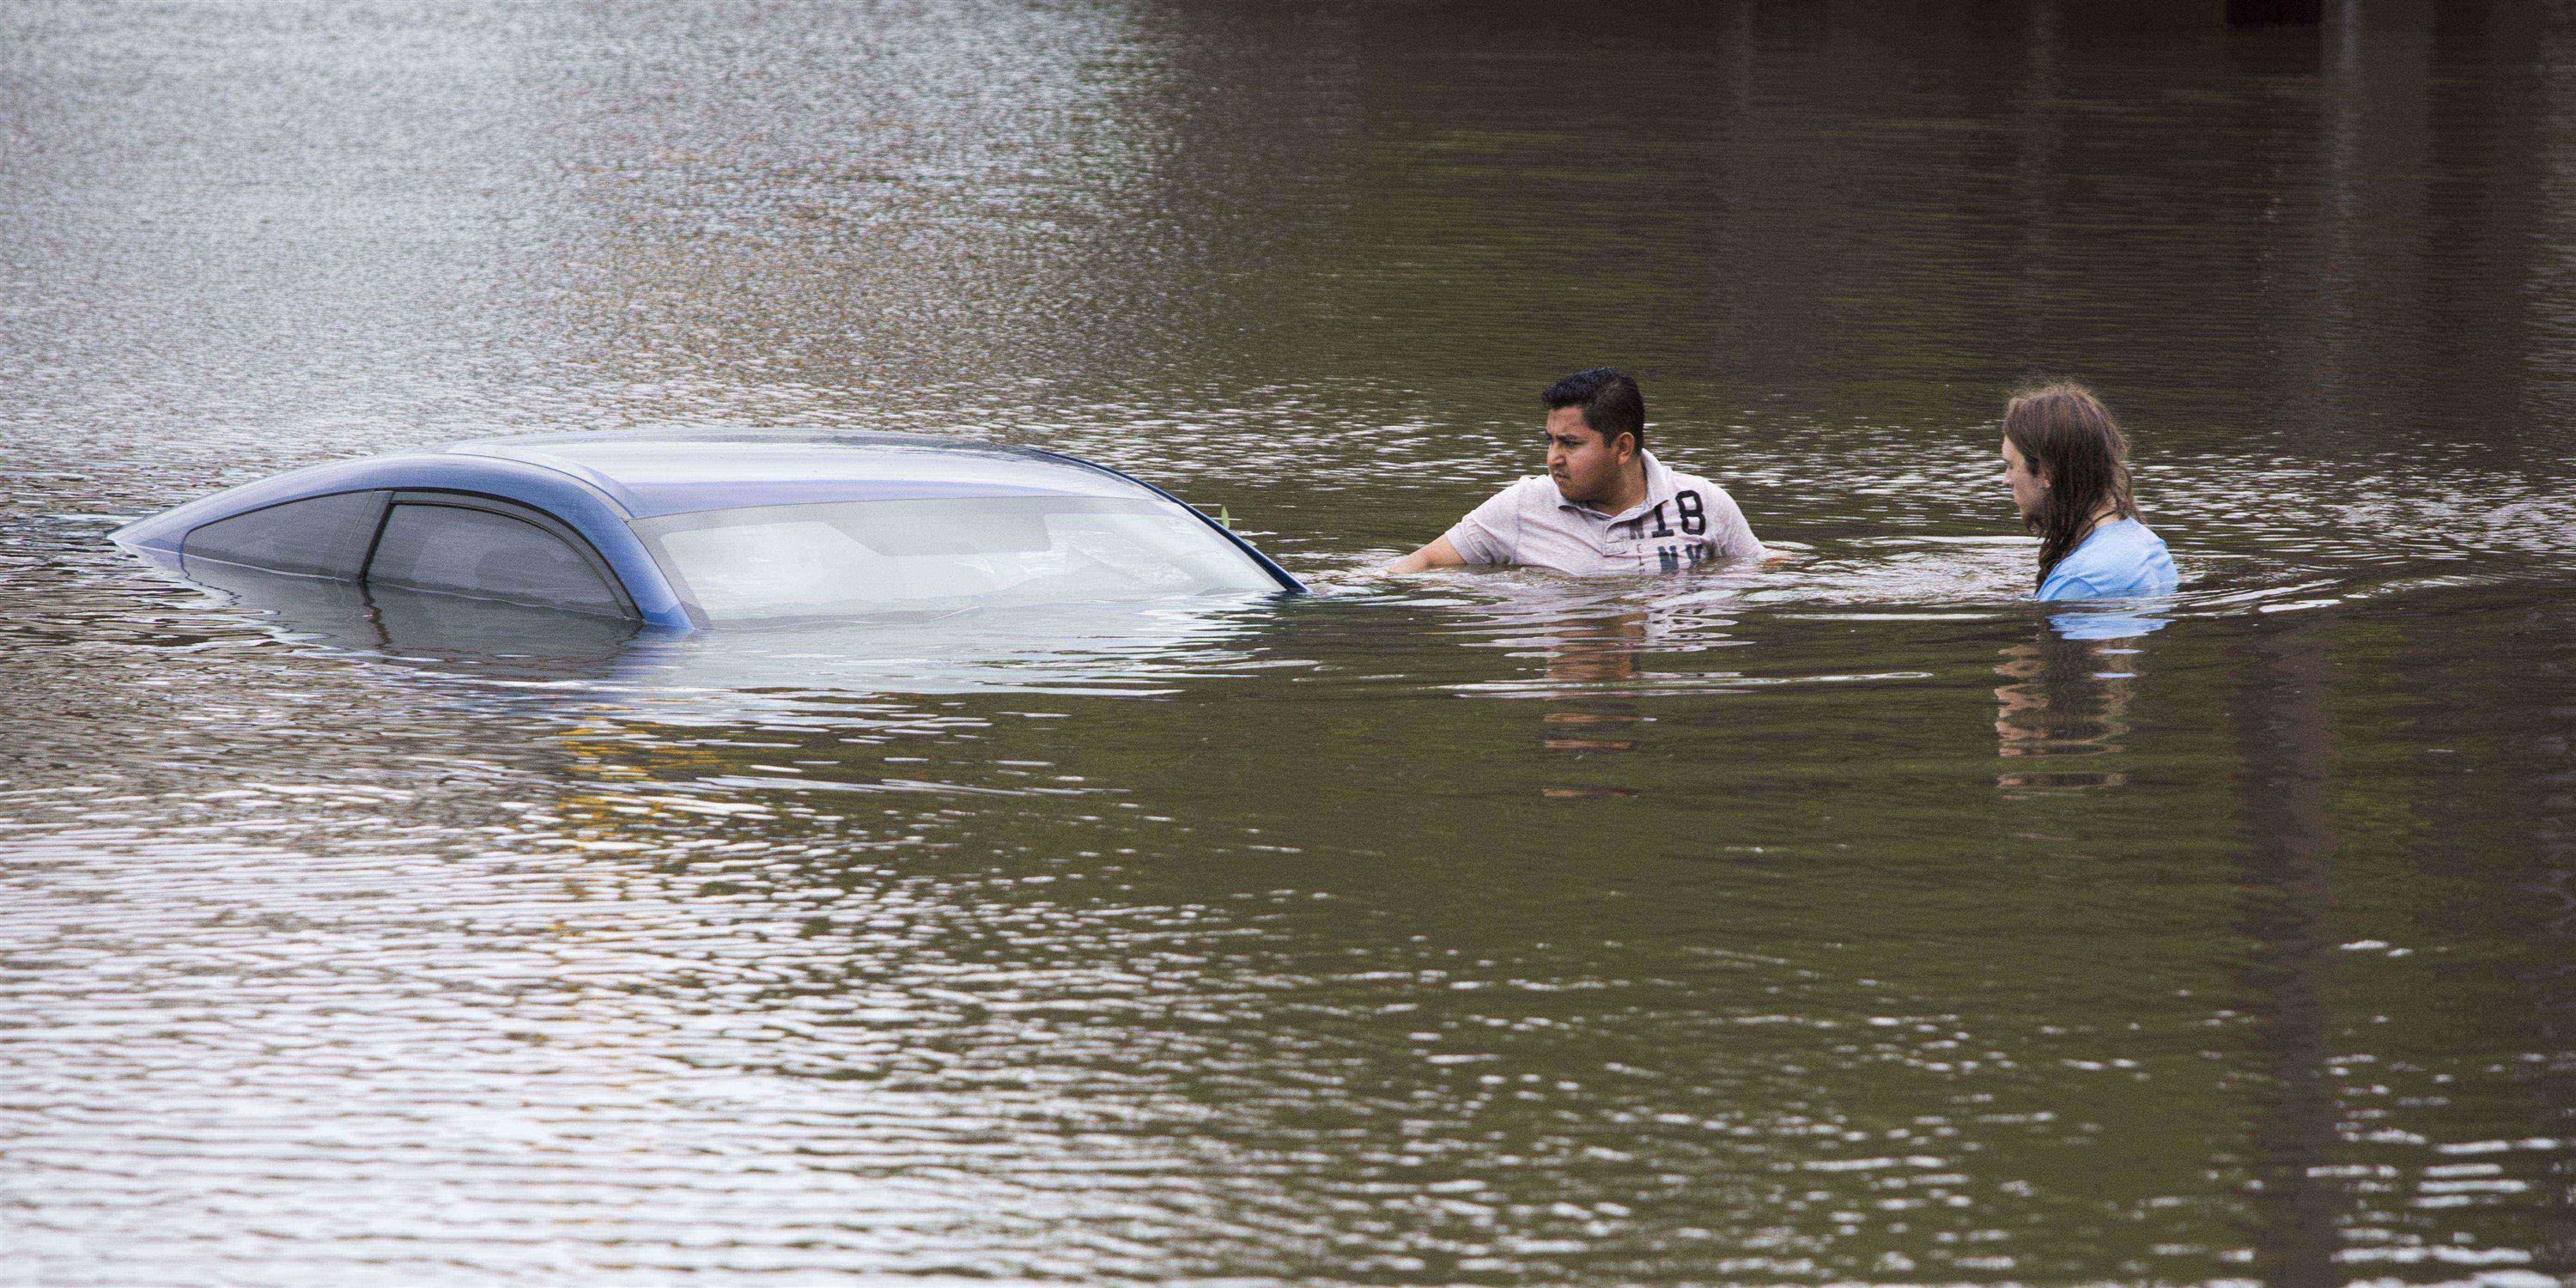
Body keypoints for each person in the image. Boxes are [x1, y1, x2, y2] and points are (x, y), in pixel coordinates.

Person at [1386, 368, 1766, 575]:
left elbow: (1759, 567)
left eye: (1570, 444)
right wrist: (1341, 591)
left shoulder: (1702, 503)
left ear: (1622, 448)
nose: (1552, 458)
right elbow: (1423, 562)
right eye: (1550, 440)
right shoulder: (1522, 505)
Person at [1998, 382, 2177, 600]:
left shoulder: (2078, 583)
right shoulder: (2149, 545)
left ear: (2045, 473)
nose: (2006, 480)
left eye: (2011, 466)